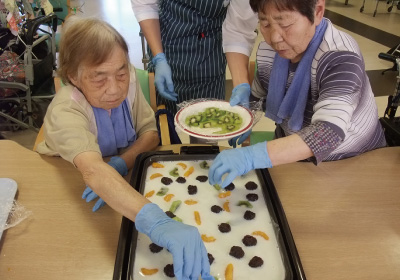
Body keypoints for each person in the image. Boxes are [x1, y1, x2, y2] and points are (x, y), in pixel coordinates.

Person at [35, 17, 213, 280]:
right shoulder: (67, 109)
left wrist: (121, 163)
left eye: (120, 73)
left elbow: (150, 134)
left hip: (125, 176)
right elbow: (93, 171)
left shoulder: (127, 80)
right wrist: (157, 221)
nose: (115, 88)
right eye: (99, 78)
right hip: (73, 182)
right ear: (73, 76)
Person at [209, 0, 387, 188]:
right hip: (296, 158)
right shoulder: (271, 51)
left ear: (317, 11)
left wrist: (252, 156)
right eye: (265, 24)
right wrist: (245, 112)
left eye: (285, 24)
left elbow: (328, 133)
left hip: (353, 162)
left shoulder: (340, 57)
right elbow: (258, 95)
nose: (275, 37)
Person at [130, 0, 258, 114]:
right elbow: (145, 4)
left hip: (209, 59)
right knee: (165, 128)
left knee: (207, 127)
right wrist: (159, 57)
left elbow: (238, 30)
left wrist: (240, 84)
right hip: (166, 48)